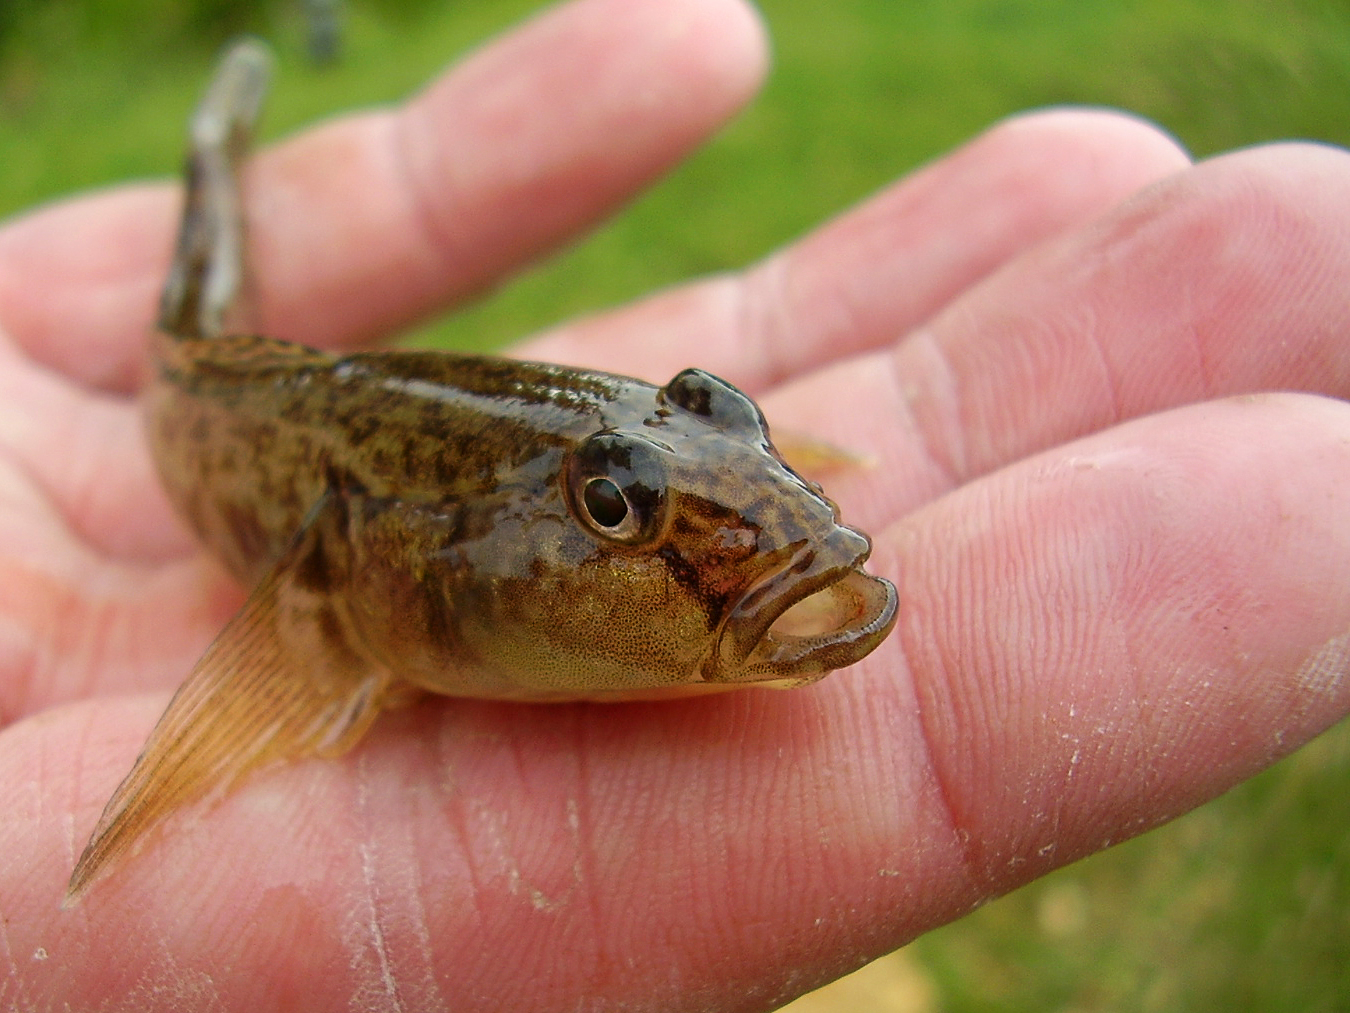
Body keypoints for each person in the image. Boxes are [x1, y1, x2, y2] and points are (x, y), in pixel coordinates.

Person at [1, 0, 1347, 1008]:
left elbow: (640, 432)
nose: (730, 540)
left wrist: (680, 479)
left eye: (730, 426)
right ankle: (211, 139)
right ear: (364, 576)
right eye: (614, 512)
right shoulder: (335, 558)